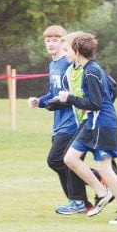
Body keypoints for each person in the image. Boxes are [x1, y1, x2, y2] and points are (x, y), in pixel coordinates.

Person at [54, 31, 117, 215]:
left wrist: (70, 98)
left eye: (67, 50)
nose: (65, 53)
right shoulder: (86, 69)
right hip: (92, 123)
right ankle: (102, 193)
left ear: (77, 50)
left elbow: (95, 103)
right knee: (70, 158)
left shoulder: (92, 71)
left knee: (104, 168)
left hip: (102, 123)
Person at [28, 25, 82, 211]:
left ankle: (95, 179)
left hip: (71, 123)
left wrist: (53, 103)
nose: (50, 44)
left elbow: (73, 95)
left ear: (63, 42)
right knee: (61, 163)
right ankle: (78, 202)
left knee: (56, 160)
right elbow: (54, 92)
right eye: (47, 40)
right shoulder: (53, 65)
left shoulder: (69, 64)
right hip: (58, 124)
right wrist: (40, 101)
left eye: (55, 40)